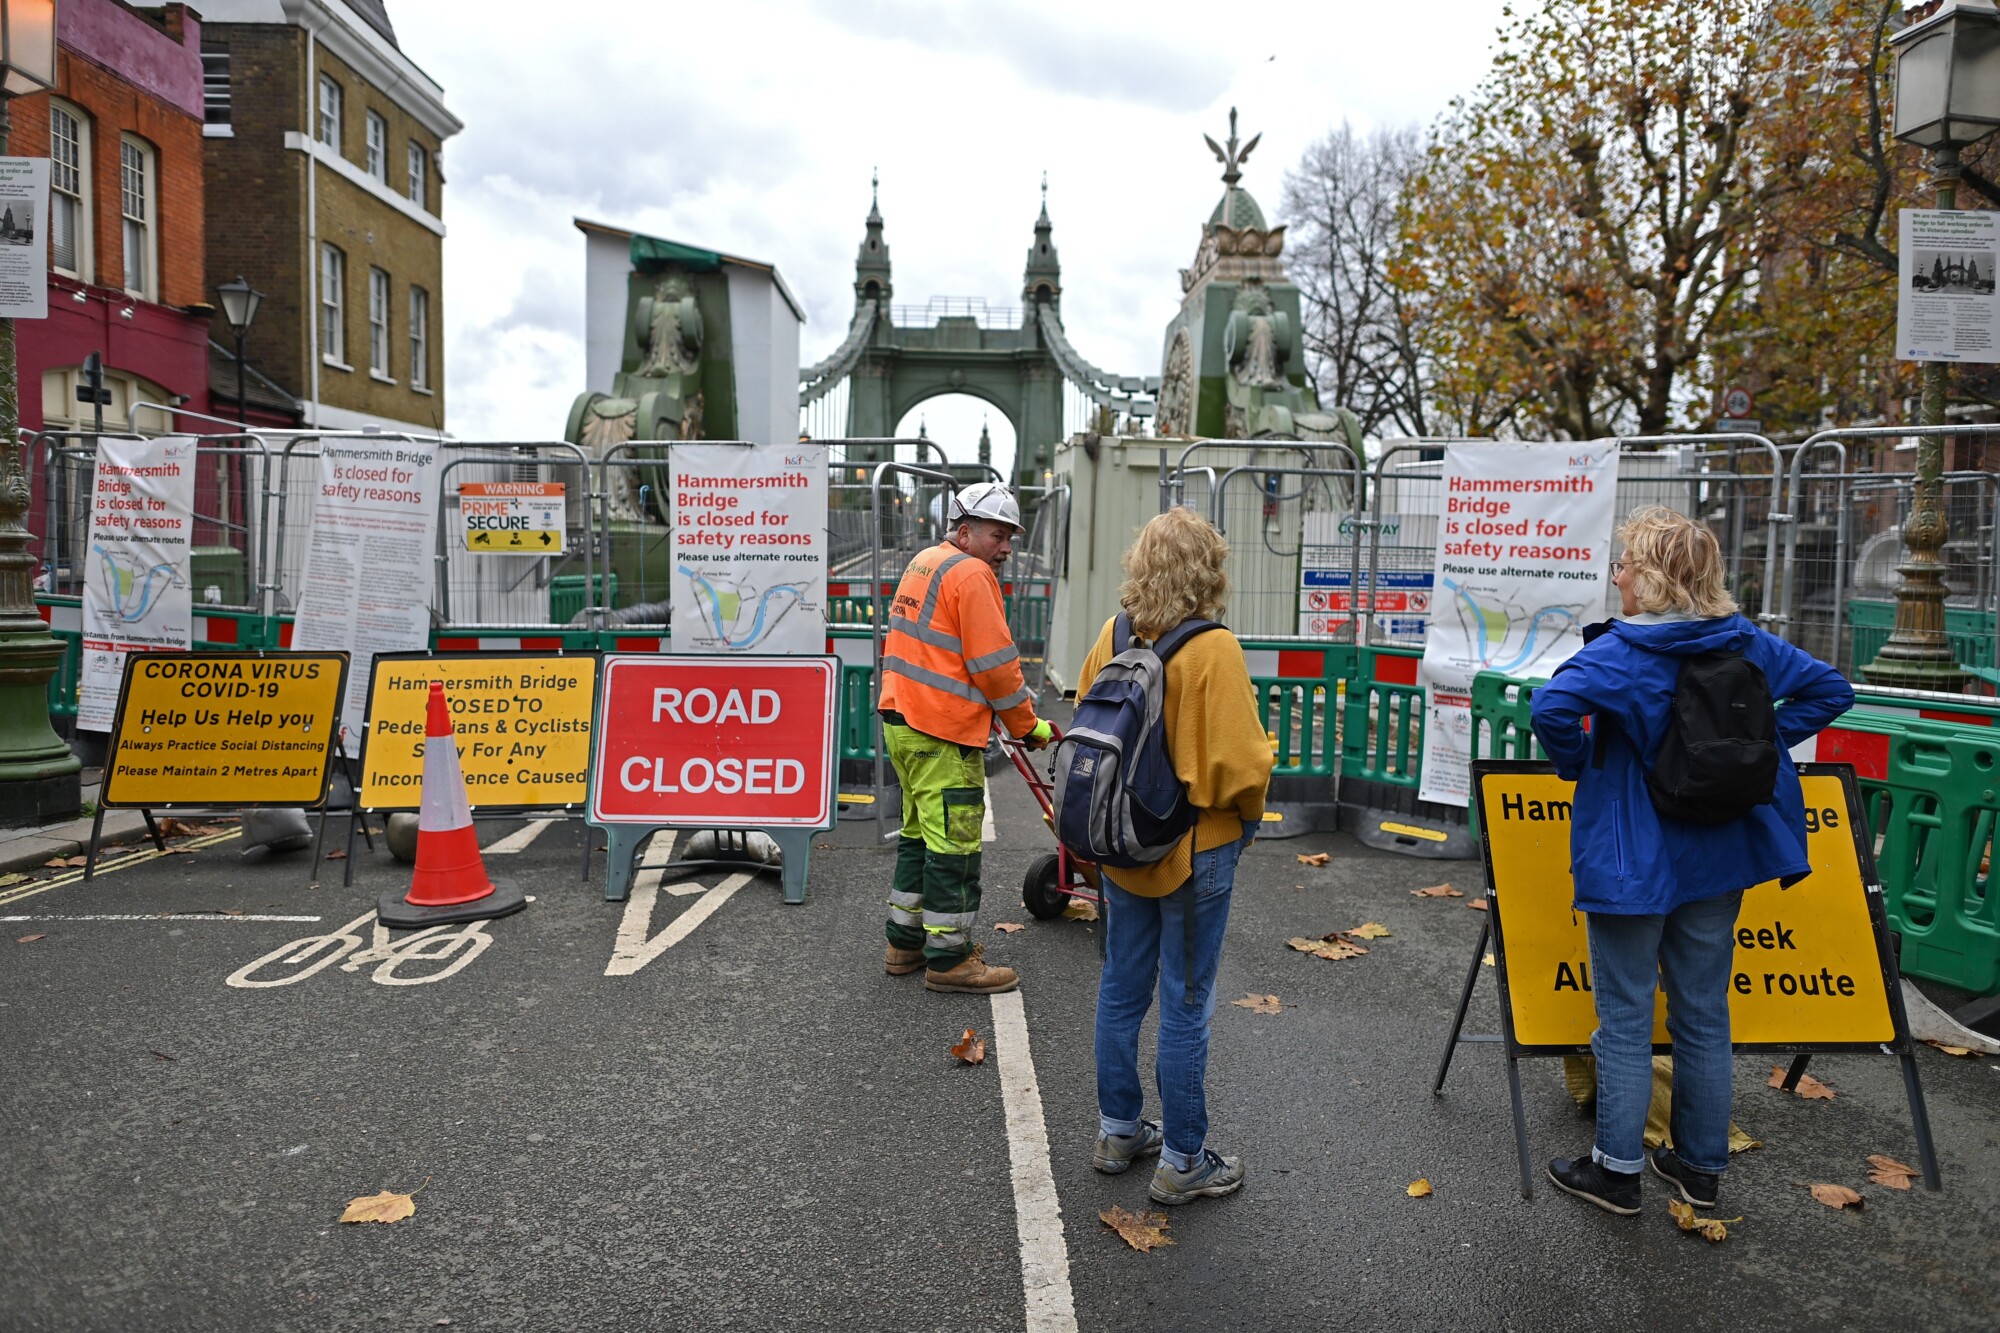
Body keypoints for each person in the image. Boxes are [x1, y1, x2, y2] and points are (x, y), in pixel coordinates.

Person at [1529, 506, 1853, 1215]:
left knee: (1624, 1018)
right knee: (1704, 1013)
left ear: (1649, 578)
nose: (1616, 578)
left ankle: (1616, 1173)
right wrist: (1755, 744)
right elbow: (1833, 690)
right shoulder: (1748, 643)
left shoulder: (1620, 654)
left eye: (1623, 566)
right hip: (1719, 856)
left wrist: (1578, 764)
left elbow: (1550, 709)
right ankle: (1700, 1169)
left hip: (1631, 865)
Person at [1072, 507, 1274, 1206]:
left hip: (1123, 843)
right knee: (1186, 1003)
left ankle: (1118, 1131)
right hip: (1196, 847)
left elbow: (1086, 720)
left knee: (1121, 989)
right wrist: (1248, 821)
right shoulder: (1213, 649)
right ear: (1208, 571)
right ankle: (1185, 1158)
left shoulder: (1114, 634)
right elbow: (1239, 767)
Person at [877, 481, 1053, 994]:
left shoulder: (924, 562)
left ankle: (904, 943)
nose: (1006, 548)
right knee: (955, 847)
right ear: (964, 531)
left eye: (1010, 537)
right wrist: (1028, 726)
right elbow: (996, 667)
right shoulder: (972, 575)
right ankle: (950, 959)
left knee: (919, 836)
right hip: (942, 731)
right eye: (998, 535)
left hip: (902, 721)